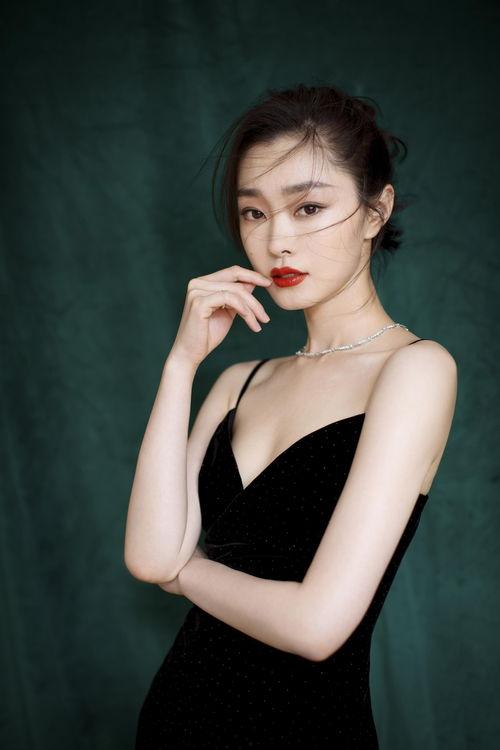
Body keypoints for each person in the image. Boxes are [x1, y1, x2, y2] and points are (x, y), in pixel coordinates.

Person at [125, 83, 457, 748]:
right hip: (174, 724)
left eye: (308, 207)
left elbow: (316, 627)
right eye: (254, 212)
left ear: (376, 209)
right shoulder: (237, 382)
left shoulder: (415, 370)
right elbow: (147, 556)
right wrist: (180, 365)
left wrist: (185, 572)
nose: (277, 240)